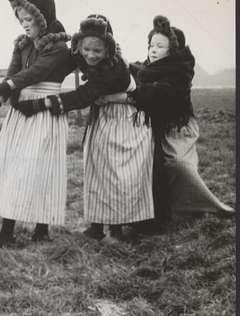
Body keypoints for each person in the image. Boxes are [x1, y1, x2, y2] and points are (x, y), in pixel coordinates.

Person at [12, 15, 154, 241]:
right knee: (96, 168)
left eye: (97, 51)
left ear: (108, 50)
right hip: (102, 117)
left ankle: (117, 230)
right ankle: (96, 228)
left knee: (118, 172)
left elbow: (82, 96)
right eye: (86, 49)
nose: (90, 55)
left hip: (125, 120)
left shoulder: (113, 70)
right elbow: (62, 62)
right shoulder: (81, 55)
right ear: (79, 46)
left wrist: (38, 104)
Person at [98, 15, 233, 233]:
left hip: (176, 128)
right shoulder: (145, 68)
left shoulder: (180, 72)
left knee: (177, 164)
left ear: (172, 50)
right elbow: (129, 72)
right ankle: (147, 218)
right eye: (151, 44)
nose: (153, 49)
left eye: (160, 46)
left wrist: (118, 98)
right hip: (151, 126)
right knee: (142, 165)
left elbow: (155, 93)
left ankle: (206, 207)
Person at [0, 0, 74, 247]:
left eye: (28, 20)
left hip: (44, 112)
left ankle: (41, 230)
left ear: (42, 18)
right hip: (20, 112)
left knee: (41, 169)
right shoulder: (22, 45)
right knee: (13, 168)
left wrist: (3, 89)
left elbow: (33, 73)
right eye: (20, 20)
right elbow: (13, 74)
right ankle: (6, 231)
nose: (24, 25)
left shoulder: (59, 48)